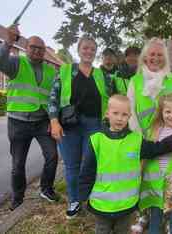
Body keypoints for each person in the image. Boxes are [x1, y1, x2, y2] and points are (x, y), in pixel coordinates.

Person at [77, 95, 172, 234]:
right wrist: (82, 196)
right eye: (115, 113)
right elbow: (87, 171)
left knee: (123, 230)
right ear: (107, 113)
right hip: (102, 205)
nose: (119, 118)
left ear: (130, 116)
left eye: (124, 114)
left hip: (126, 204)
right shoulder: (96, 140)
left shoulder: (135, 139)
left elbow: (154, 149)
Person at [0, 25, 59, 210]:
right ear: (26, 48)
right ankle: (18, 198)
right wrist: (8, 41)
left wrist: (53, 120)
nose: (37, 51)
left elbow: (55, 97)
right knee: (18, 164)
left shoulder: (50, 71)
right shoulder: (16, 63)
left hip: (42, 122)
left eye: (41, 48)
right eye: (33, 47)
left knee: (53, 156)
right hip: (18, 123)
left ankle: (46, 189)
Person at [48, 36, 109, 219]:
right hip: (69, 125)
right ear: (79, 49)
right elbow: (53, 96)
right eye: (85, 48)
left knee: (92, 163)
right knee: (72, 165)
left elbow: (113, 97)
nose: (89, 51)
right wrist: (53, 121)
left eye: (92, 49)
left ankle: (90, 198)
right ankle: (74, 201)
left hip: (94, 125)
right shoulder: (65, 70)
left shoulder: (101, 75)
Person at [139, 93, 172, 234]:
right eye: (168, 112)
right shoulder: (155, 129)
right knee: (155, 213)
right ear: (161, 112)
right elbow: (150, 150)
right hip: (156, 181)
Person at [127, 37, 172, 135]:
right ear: (145, 57)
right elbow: (130, 113)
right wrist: (138, 137)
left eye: (160, 55)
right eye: (152, 54)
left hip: (171, 139)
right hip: (145, 139)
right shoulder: (135, 81)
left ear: (165, 58)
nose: (156, 58)